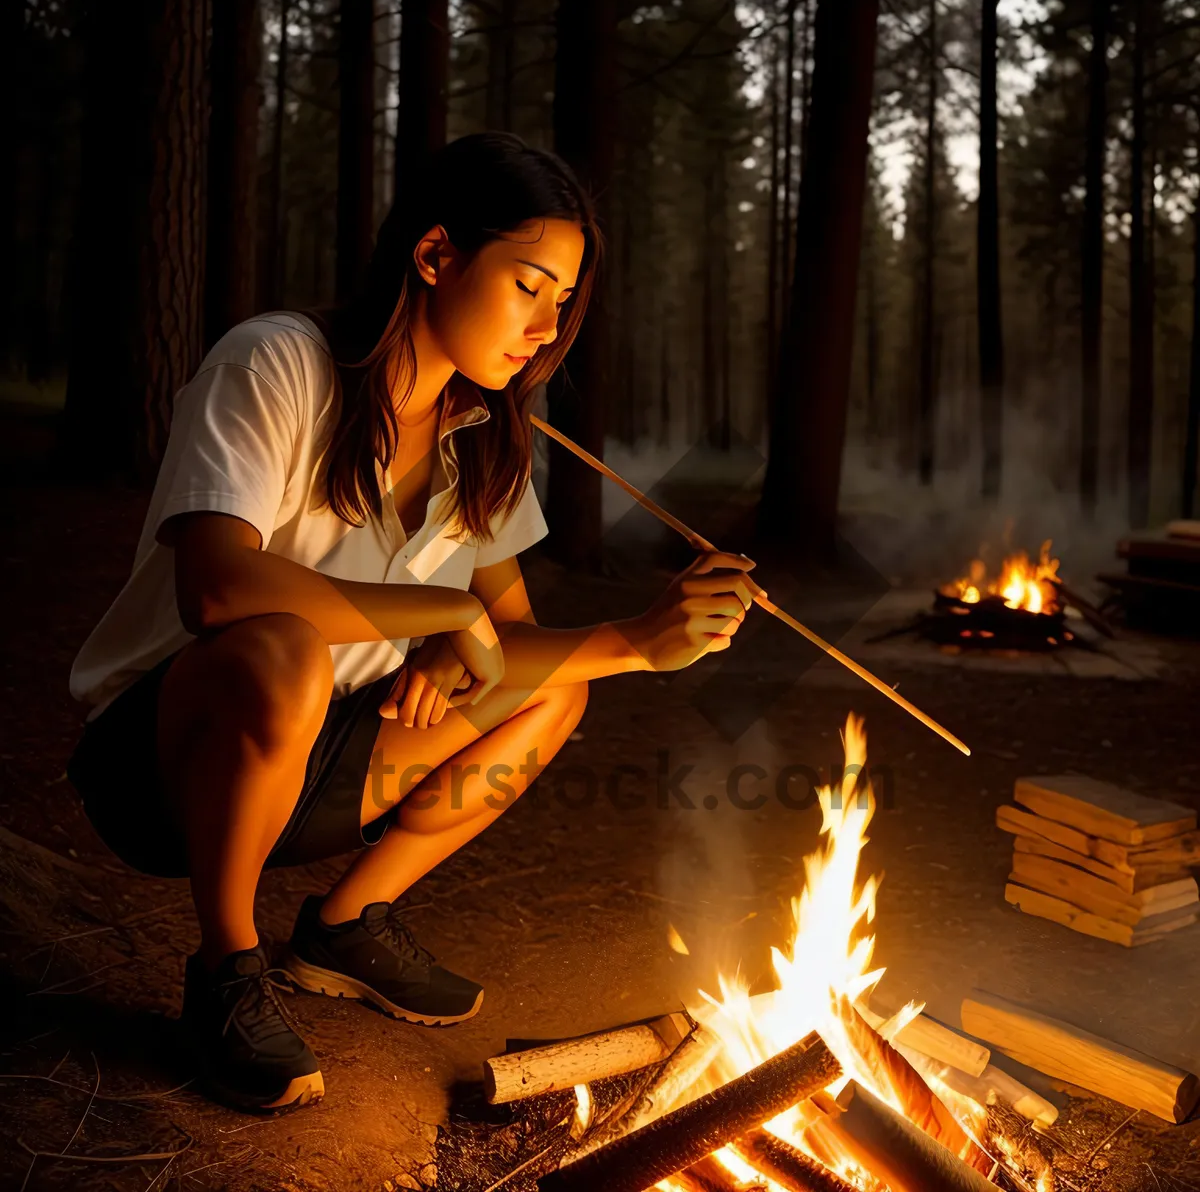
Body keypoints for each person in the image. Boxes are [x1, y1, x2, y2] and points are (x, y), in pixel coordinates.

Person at [66, 132, 756, 1114]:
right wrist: (439, 609)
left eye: (564, 300)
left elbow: (508, 645)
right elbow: (216, 588)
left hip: (322, 760)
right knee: (282, 649)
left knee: (557, 691)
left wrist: (643, 642)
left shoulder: (482, 438)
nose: (548, 323)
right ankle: (226, 971)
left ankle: (344, 928)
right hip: (164, 761)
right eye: (528, 284)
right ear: (435, 257)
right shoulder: (278, 362)